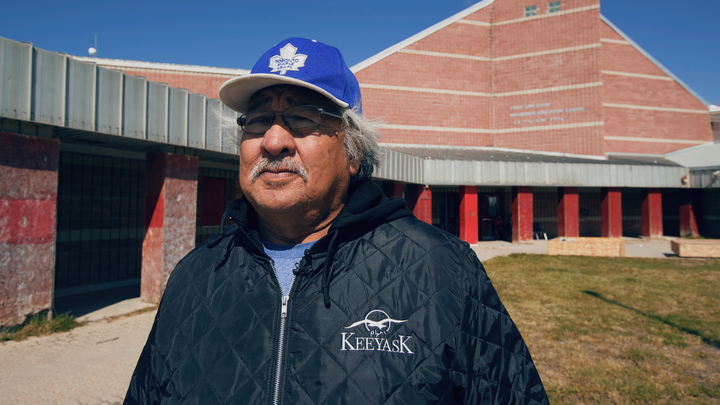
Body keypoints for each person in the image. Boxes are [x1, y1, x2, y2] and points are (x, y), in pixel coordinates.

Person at [125, 37, 548, 405]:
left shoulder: (442, 270)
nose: (273, 141)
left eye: (302, 118)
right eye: (256, 121)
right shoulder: (194, 277)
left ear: (353, 151)